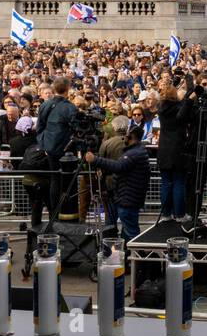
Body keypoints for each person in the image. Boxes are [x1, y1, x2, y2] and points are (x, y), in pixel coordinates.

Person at [86, 125, 149, 248]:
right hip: (128, 197)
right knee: (128, 231)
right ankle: (127, 258)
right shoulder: (138, 151)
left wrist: (95, 160)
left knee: (131, 232)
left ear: (129, 136)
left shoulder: (133, 154)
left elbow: (118, 166)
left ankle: (137, 259)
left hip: (127, 199)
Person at [154, 83, 195, 223]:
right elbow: (185, 108)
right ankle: (180, 214)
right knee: (178, 182)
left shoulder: (160, 109)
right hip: (178, 149)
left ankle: (166, 214)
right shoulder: (179, 108)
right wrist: (189, 95)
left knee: (166, 183)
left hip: (164, 149)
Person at [35, 76, 78, 211]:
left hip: (51, 149)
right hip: (66, 150)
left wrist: (45, 146)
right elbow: (76, 129)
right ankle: (66, 212)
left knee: (55, 180)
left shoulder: (44, 105)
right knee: (68, 182)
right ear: (67, 89)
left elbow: (39, 128)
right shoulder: (70, 108)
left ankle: (55, 212)